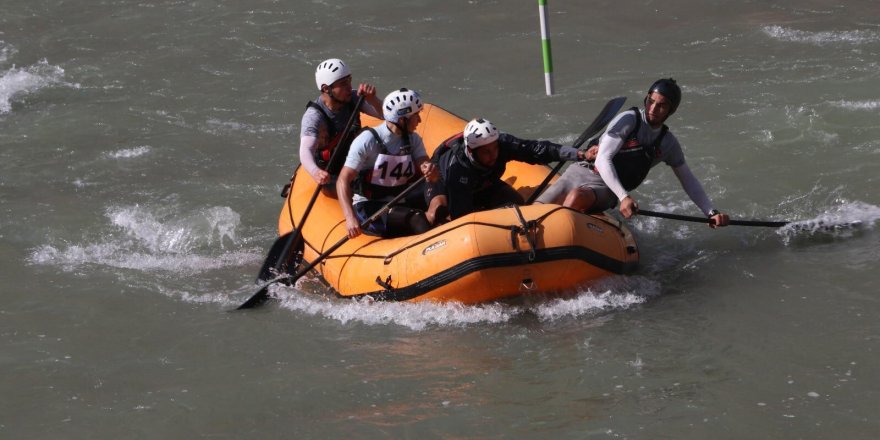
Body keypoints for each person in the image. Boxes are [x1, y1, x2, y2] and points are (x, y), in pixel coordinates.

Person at [535, 78, 730, 228]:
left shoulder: (668, 144)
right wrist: (625, 197)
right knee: (536, 210)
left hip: (608, 187)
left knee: (576, 197)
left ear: (672, 110)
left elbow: (688, 180)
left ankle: (561, 234)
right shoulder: (628, 120)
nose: (653, 108)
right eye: (651, 101)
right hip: (580, 171)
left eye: (661, 105)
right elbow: (603, 158)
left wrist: (710, 212)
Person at [426, 118, 590, 221]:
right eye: (486, 152)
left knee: (516, 203)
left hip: (482, 184)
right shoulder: (458, 169)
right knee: (439, 211)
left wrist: (579, 154)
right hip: (446, 185)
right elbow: (462, 219)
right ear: (471, 152)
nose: (493, 155)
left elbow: (536, 150)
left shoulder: (503, 145)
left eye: (495, 149)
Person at [336, 88, 440, 238]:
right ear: (402, 120)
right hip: (370, 207)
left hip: (398, 199)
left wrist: (430, 170)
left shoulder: (413, 139)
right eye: (416, 116)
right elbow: (343, 180)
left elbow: (424, 163)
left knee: (442, 200)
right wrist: (350, 218)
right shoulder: (367, 140)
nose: (420, 120)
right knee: (417, 219)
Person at [298, 58, 383, 195]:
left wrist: (373, 99)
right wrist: (316, 172)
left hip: (357, 160)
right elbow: (306, 150)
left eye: (349, 81)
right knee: (367, 190)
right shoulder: (314, 116)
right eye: (343, 84)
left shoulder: (354, 98)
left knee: (370, 134)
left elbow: (387, 116)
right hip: (333, 172)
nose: (350, 87)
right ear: (326, 88)